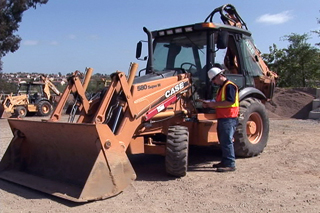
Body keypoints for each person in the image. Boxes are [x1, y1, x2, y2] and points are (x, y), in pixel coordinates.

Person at [202, 67, 239, 172]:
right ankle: (225, 161)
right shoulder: (222, 87)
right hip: (223, 117)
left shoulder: (229, 86)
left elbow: (229, 102)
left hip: (229, 117)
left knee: (227, 140)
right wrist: (210, 103)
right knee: (223, 140)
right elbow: (220, 101)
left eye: (214, 79)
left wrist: (213, 104)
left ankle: (230, 164)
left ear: (219, 76)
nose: (213, 82)